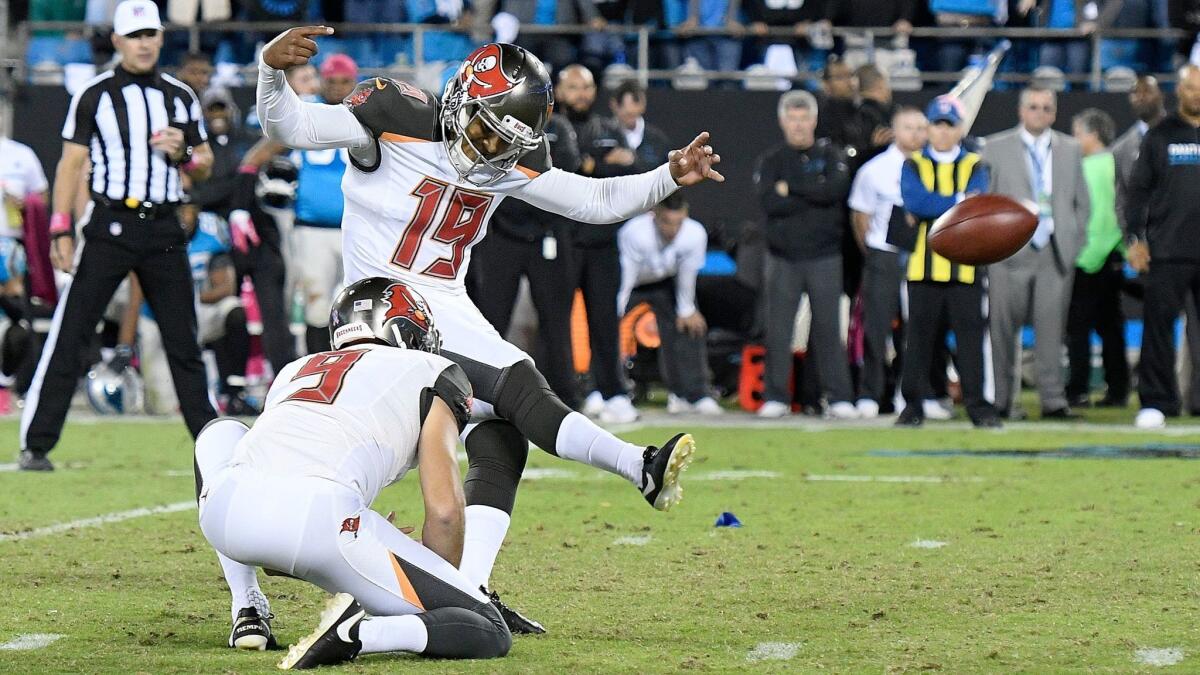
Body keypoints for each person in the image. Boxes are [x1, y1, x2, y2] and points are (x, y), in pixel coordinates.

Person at [256, 32, 719, 628]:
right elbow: (289, 125)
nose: (489, 149)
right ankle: (638, 466)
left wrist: (668, 177)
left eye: (506, 140)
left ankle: (467, 590)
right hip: (382, 305)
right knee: (514, 384)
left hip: (446, 300)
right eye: (483, 131)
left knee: (503, 434)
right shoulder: (393, 116)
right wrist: (269, 69)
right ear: (457, 103)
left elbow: (596, 200)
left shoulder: (511, 157)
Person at [195, 277, 512, 667]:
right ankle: (361, 633)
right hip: (318, 521)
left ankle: (247, 608)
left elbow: (276, 556)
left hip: (226, 513)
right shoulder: (433, 369)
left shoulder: (294, 370)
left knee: (220, 432)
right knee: (489, 629)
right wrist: (435, 591)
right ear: (407, 330)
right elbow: (445, 511)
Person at [19, 0, 216, 471]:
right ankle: (37, 444)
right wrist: (61, 228)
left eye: (151, 34)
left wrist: (184, 152)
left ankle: (212, 446)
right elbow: (70, 164)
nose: (144, 43)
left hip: (165, 224)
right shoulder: (94, 94)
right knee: (71, 331)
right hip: (110, 224)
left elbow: (204, 163)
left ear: (161, 37)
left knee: (183, 342)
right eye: (135, 35)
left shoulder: (179, 96)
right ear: (117, 40)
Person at [982, 86, 1090, 421]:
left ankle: (1053, 400)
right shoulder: (995, 147)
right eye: (1033, 107)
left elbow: (1081, 201)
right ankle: (1002, 400)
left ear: (1055, 113)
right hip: (1009, 252)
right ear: (1020, 111)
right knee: (1002, 330)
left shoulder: (1070, 148)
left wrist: (1074, 240)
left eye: (1046, 108)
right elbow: (984, 202)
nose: (1040, 113)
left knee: (1052, 331)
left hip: (1054, 251)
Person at [896, 96, 1001, 428]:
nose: (942, 132)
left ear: (960, 129)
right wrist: (957, 201)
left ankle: (978, 407)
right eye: (937, 125)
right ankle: (912, 406)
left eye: (949, 125)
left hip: (965, 267)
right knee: (919, 341)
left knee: (970, 342)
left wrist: (945, 205)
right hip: (923, 267)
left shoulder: (975, 164)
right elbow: (917, 202)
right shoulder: (913, 164)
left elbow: (974, 207)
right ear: (928, 128)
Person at [752, 90, 857, 419]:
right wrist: (813, 190)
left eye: (803, 118)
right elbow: (769, 202)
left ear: (813, 120)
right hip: (783, 257)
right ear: (783, 121)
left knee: (829, 329)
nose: (798, 125)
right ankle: (775, 396)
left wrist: (792, 188)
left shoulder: (832, 154)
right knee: (778, 330)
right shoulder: (771, 160)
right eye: (792, 119)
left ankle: (839, 397)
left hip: (825, 255)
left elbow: (836, 191)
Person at [471, 108, 583, 409]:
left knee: (556, 322)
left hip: (547, 233)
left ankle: (563, 396)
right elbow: (482, 169)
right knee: (490, 318)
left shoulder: (558, 127)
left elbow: (567, 170)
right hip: (503, 232)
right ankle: (478, 395)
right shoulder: (494, 124)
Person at [558, 64, 641, 424]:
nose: (580, 94)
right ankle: (572, 392)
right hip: (562, 240)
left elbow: (626, 175)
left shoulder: (609, 129)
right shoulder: (552, 131)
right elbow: (561, 174)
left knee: (606, 321)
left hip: (603, 240)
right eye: (573, 87)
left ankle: (613, 391)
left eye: (586, 87)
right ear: (560, 92)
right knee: (557, 323)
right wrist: (594, 167)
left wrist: (590, 167)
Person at [1125, 65, 1200, 429]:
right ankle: (1157, 401)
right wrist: (1135, 239)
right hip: (1167, 250)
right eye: (1190, 87)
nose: (1197, 94)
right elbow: (1137, 192)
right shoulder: (1160, 135)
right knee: (1157, 329)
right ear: (1179, 91)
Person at [847, 106, 928, 418]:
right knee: (876, 328)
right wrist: (875, 253)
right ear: (895, 131)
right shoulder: (875, 169)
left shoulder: (934, 167)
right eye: (909, 127)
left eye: (921, 127)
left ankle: (913, 395)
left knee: (918, 330)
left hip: (923, 256)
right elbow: (860, 217)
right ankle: (870, 393)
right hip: (885, 255)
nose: (916, 134)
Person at [618, 192, 721, 415]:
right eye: (667, 222)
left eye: (678, 223)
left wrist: (687, 309)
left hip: (666, 283)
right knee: (605, 326)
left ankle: (692, 394)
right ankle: (606, 391)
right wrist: (614, 313)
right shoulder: (635, 233)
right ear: (654, 215)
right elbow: (626, 279)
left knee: (690, 324)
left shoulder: (694, 234)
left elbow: (686, 275)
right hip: (632, 283)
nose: (673, 230)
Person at [1066, 109, 1128, 409]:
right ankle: (1118, 390)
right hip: (1114, 254)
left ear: (1092, 135)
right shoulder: (1117, 164)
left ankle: (1077, 389)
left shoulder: (1087, 168)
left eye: (1077, 133)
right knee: (1111, 327)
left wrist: (1084, 254)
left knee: (1077, 328)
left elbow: (1096, 216)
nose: (1075, 139)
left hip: (1088, 256)